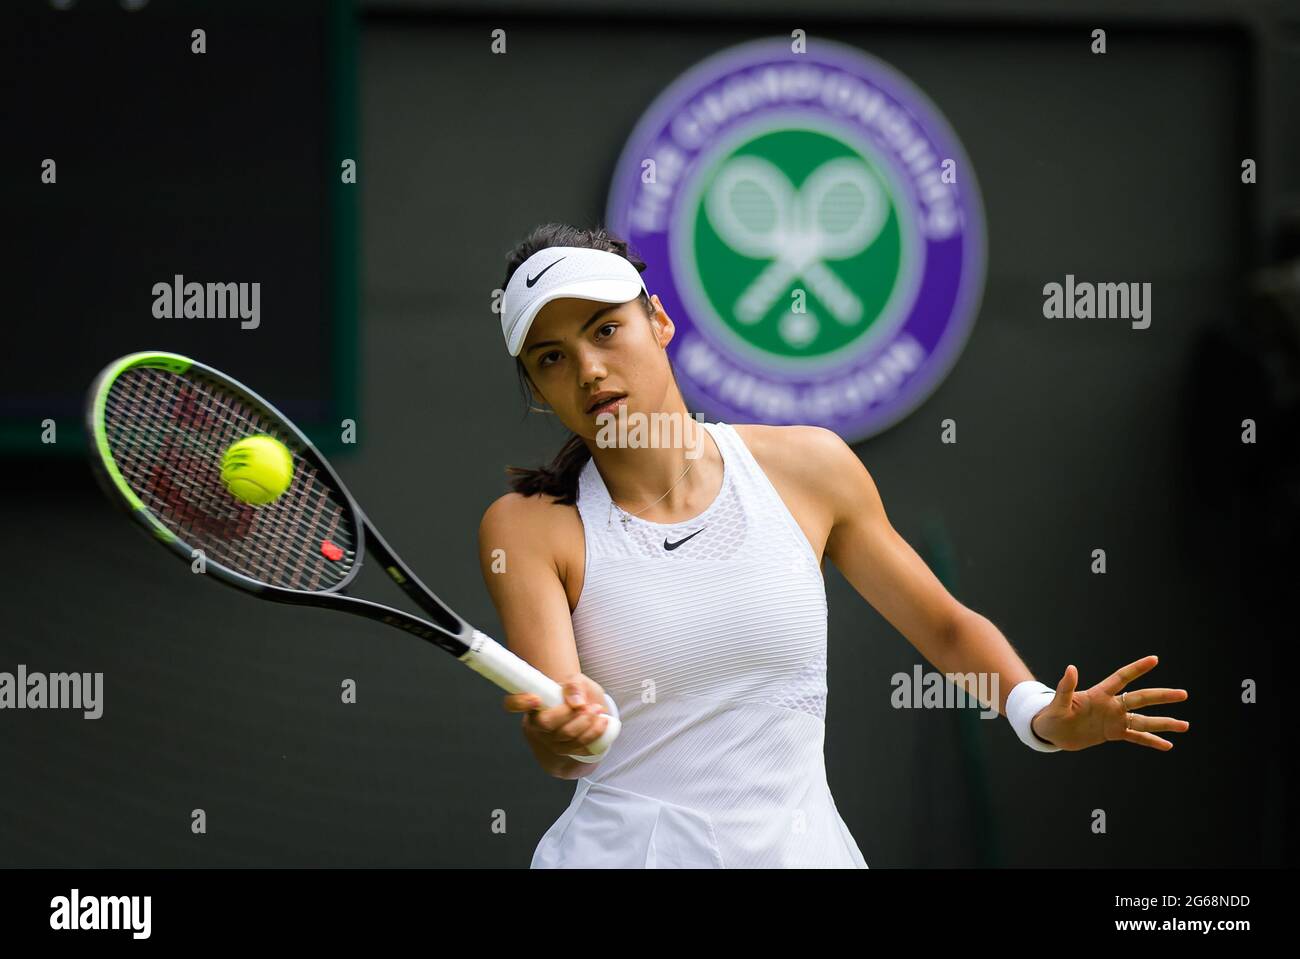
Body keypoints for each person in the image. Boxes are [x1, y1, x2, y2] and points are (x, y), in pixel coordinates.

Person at [477, 223, 1190, 868]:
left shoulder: (810, 466)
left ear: (658, 320)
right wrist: (563, 728)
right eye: (551, 358)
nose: (589, 369)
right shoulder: (527, 526)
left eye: (605, 331)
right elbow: (558, 740)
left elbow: (942, 625)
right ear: (540, 390)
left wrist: (1036, 712)